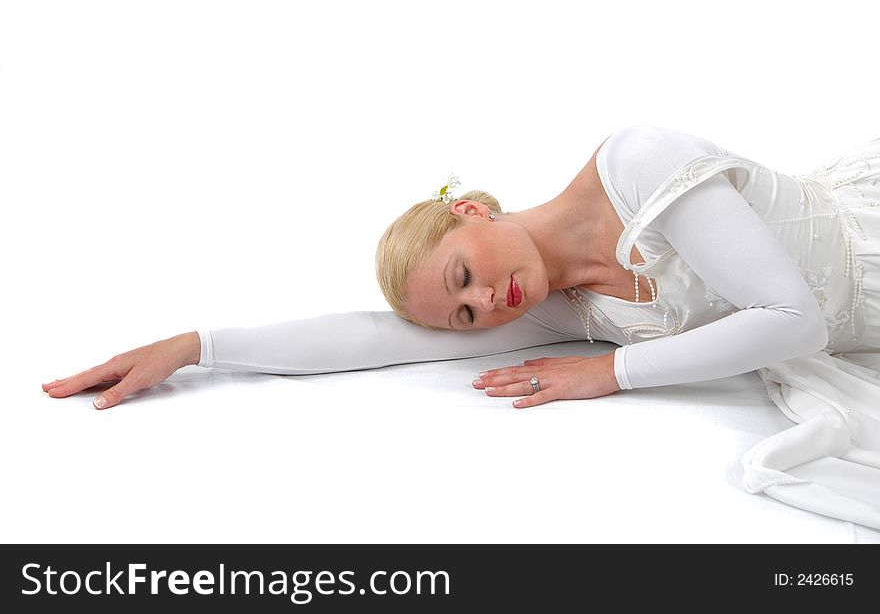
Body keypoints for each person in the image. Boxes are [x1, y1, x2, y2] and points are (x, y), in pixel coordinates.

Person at [40, 125, 880, 530]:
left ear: (472, 210)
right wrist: (198, 347)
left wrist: (606, 374)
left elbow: (794, 322)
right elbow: (377, 338)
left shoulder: (639, 162)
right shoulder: (565, 304)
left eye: (464, 275)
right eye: (469, 313)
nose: (492, 302)